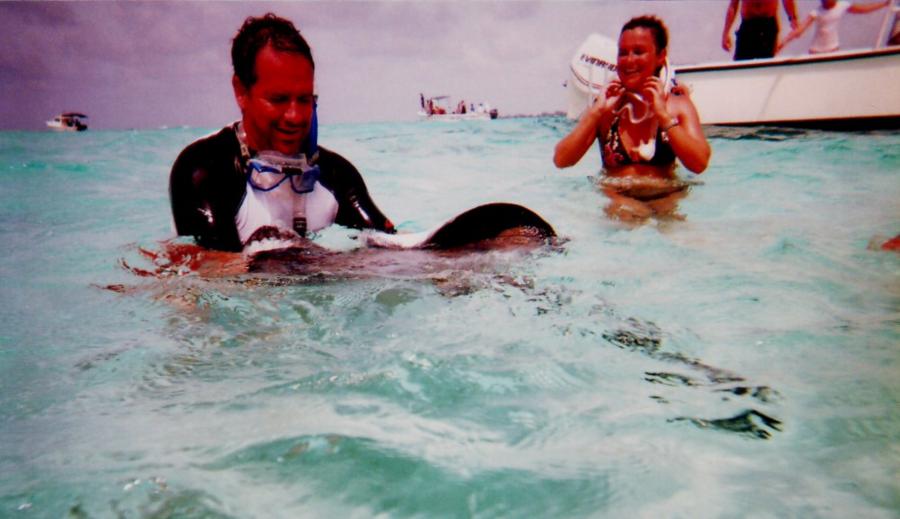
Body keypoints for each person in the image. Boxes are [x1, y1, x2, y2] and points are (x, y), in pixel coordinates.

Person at [169, 13, 394, 253]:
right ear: (241, 91)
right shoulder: (204, 170)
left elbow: (392, 250)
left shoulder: (337, 176)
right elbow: (211, 273)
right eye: (279, 99)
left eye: (304, 99)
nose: (295, 117)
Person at [554, 16, 710, 222]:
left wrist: (663, 116)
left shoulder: (677, 106)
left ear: (661, 56)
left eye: (638, 52)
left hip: (667, 195)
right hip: (618, 197)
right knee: (627, 215)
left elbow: (699, 163)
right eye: (623, 53)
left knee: (677, 234)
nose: (628, 60)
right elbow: (561, 160)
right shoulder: (606, 109)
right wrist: (595, 113)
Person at [776, 0, 891, 55]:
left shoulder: (842, 6)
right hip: (816, 50)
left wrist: (883, 4)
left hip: (833, 48)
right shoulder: (816, 12)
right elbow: (800, 30)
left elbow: (863, 10)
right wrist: (783, 43)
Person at [722, 0, 800, 60]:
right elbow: (733, 5)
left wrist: (793, 19)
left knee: (767, 65)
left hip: (767, 26)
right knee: (741, 64)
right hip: (748, 27)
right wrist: (725, 33)